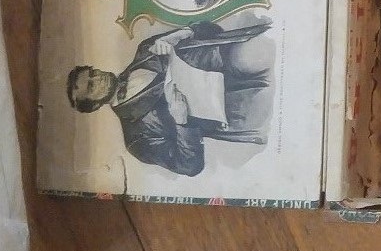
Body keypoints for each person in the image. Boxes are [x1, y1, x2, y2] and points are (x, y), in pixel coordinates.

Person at [66, 10, 275, 176]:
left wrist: (183, 33)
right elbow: (189, 166)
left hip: (238, 56)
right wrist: (182, 122)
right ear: (94, 105)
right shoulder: (136, 138)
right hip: (238, 109)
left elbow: (212, 29)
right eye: (91, 87)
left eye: (93, 73)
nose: (98, 78)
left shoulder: (146, 50)